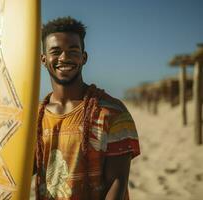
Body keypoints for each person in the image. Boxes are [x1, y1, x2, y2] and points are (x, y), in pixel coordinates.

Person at [34, 16, 140, 200]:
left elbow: (117, 182)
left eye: (73, 51)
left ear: (84, 58)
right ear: (43, 59)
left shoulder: (112, 112)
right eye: (56, 51)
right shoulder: (35, 117)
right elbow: (22, 171)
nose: (64, 58)